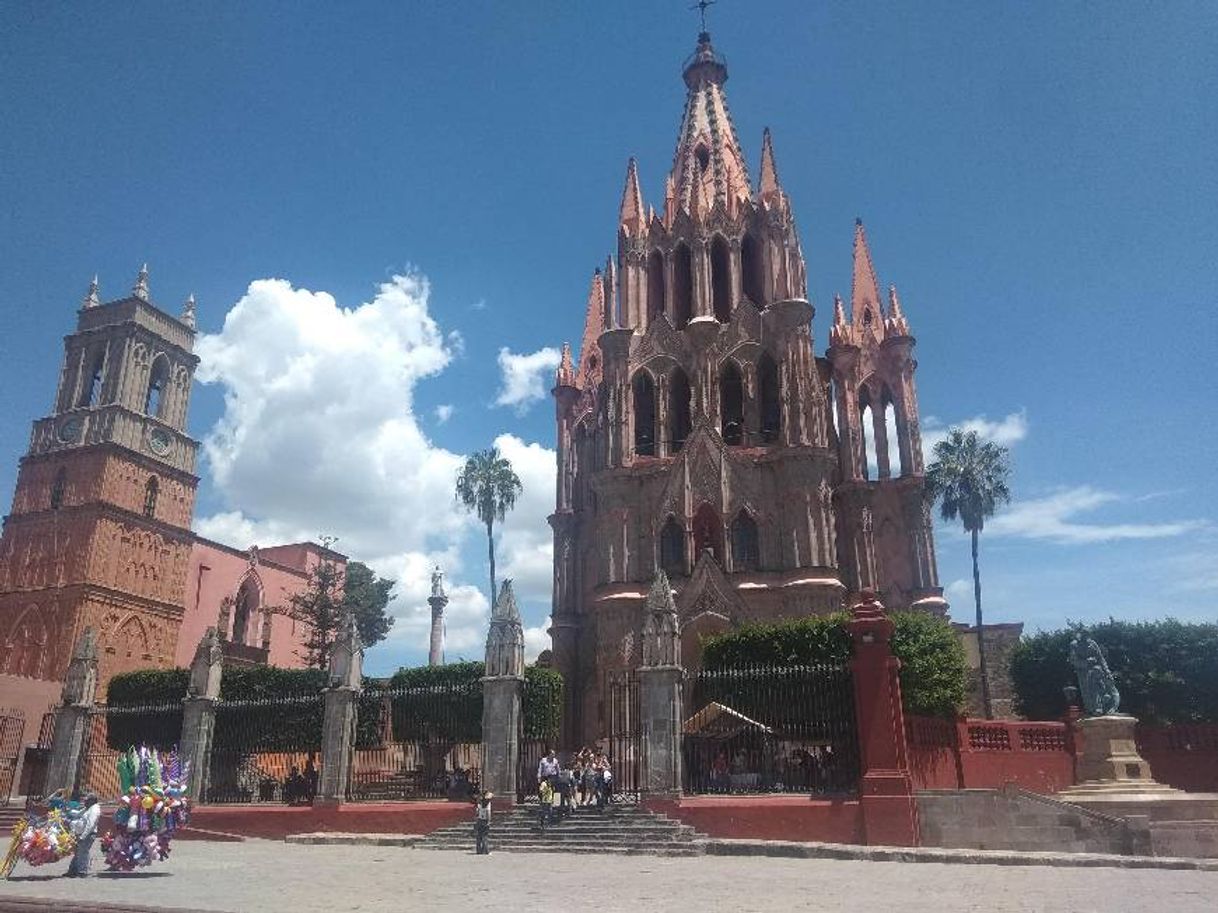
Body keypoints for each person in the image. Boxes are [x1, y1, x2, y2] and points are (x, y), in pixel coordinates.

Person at [65, 793, 100, 877]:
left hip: (88, 835)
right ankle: (72, 870)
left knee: (83, 852)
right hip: (81, 834)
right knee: (77, 852)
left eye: (86, 800)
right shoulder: (88, 808)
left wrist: (83, 836)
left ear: (92, 801)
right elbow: (77, 814)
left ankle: (82, 871)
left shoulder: (94, 810)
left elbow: (90, 825)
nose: (84, 802)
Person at [474, 791, 493, 855]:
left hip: (479, 819)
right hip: (485, 820)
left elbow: (477, 812)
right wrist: (489, 820)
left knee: (479, 836)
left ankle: (478, 850)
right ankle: (486, 850)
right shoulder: (488, 803)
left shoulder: (480, 802)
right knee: (485, 836)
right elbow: (488, 812)